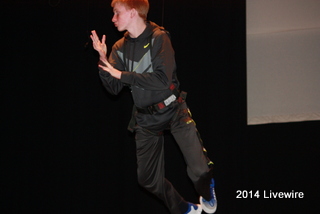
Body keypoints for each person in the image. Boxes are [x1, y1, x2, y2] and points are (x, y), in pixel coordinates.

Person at [90, 0, 217, 213]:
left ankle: (206, 189)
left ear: (132, 13)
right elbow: (113, 88)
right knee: (147, 179)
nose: (113, 18)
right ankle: (184, 208)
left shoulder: (159, 37)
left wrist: (122, 75)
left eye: (116, 13)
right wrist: (103, 61)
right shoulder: (119, 48)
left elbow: (162, 80)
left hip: (174, 110)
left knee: (199, 170)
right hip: (147, 120)